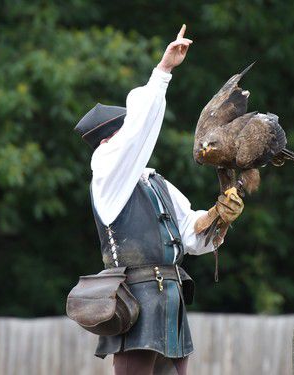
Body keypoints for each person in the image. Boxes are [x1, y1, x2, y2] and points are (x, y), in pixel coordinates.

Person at [73, 25, 244, 375]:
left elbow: (191, 234)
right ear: (108, 142)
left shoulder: (155, 182)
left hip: (170, 298)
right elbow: (137, 133)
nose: (132, 137)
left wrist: (219, 215)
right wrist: (162, 72)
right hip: (134, 299)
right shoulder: (106, 174)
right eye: (125, 132)